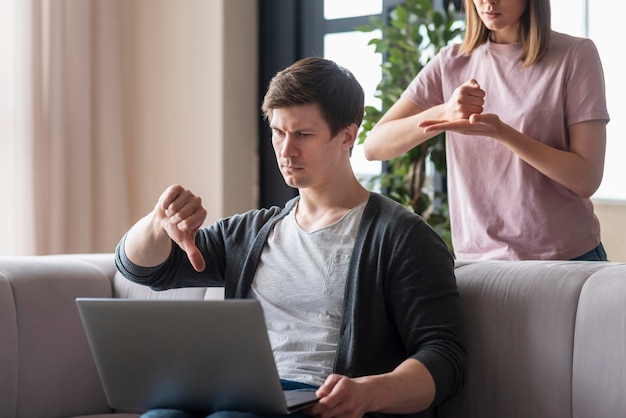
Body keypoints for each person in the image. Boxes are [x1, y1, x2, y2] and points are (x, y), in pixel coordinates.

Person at [115, 57, 465, 418]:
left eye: (303, 134)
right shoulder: (251, 233)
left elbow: (443, 357)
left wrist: (366, 393)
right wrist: (159, 221)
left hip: (314, 402)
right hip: (236, 392)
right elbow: (142, 270)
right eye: (279, 132)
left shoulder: (401, 237)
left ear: (347, 135)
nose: (286, 150)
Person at [363, 0, 610, 261]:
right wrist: (444, 111)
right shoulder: (451, 61)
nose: (488, 2)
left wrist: (502, 132)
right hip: (479, 262)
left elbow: (586, 178)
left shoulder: (575, 54)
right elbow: (374, 146)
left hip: (566, 258)